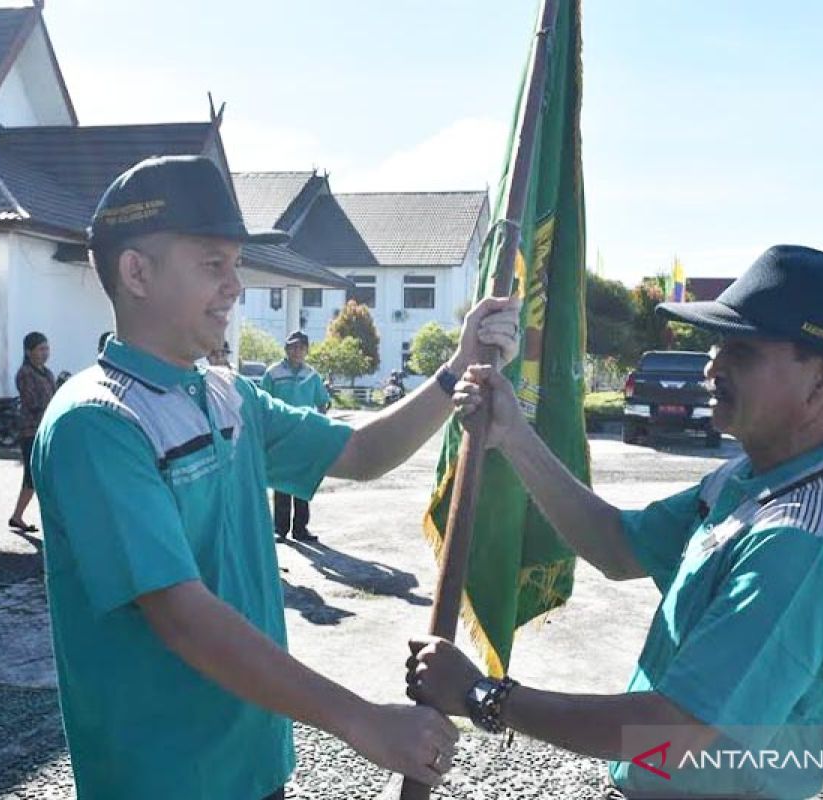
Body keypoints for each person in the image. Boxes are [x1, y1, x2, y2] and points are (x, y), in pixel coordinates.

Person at [30, 155, 520, 800]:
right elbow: (181, 614)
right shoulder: (97, 423)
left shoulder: (230, 392)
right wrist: (362, 721)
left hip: (254, 759)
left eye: (236, 264)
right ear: (137, 271)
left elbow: (359, 451)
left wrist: (455, 370)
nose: (236, 286)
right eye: (213, 264)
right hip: (161, 774)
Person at [408, 245, 823, 800]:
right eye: (716, 345)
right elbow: (618, 546)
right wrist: (513, 436)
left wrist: (484, 696)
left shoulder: (801, 541)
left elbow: (676, 729)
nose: (712, 366)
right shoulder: (748, 480)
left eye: (741, 351)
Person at [261, 331, 330, 542]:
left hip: (305, 435)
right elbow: (262, 403)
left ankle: (301, 528)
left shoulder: (312, 375)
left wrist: (320, 427)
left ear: (307, 350)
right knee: (281, 482)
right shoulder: (273, 373)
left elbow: (322, 403)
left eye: (301, 347)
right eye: (293, 347)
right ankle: (279, 529)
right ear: (286, 349)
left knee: (302, 482)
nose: (297, 351)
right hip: (280, 435)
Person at [10, 331, 57, 532]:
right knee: (33, 476)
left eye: (46, 348)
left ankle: (17, 516)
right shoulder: (25, 373)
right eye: (40, 349)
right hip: (31, 431)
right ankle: (18, 516)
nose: (45, 353)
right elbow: (33, 403)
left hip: (46, 429)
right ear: (29, 352)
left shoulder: (47, 373)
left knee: (39, 476)